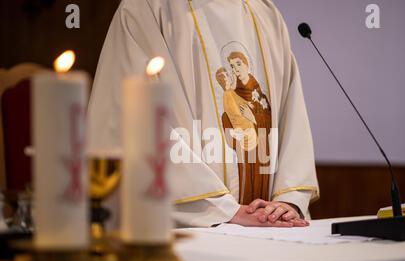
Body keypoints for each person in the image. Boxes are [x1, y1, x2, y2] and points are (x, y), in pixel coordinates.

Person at [88, 0, 319, 228]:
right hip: (189, 236)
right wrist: (223, 209)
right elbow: (134, 115)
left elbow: (293, 118)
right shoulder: (148, 7)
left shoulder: (265, 13)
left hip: (273, 233)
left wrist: (287, 202)